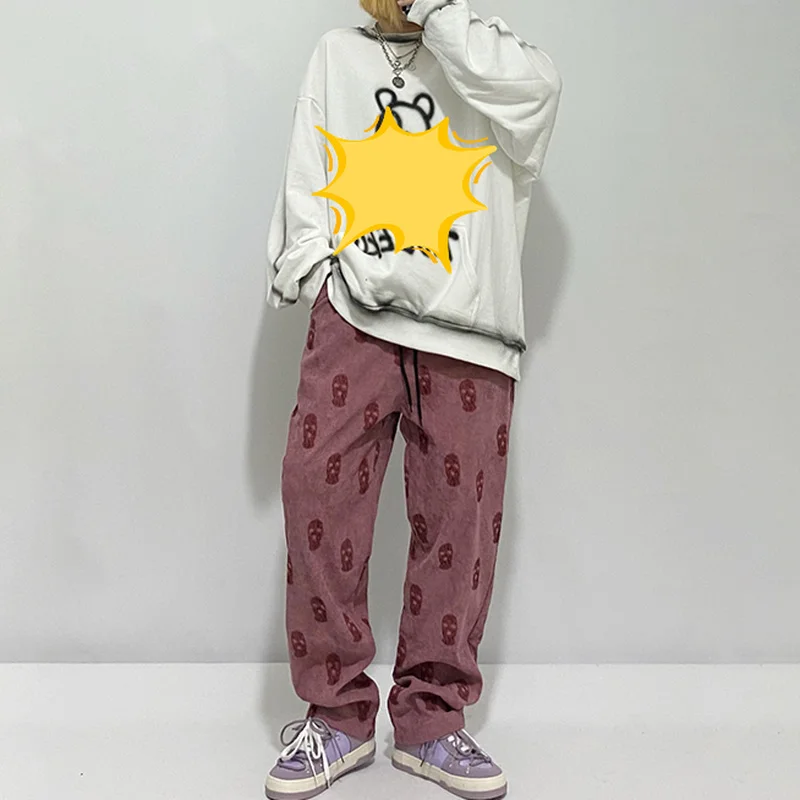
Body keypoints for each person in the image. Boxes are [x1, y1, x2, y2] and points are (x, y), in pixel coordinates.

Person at [263, 0, 562, 797]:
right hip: (356, 312)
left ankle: (431, 721)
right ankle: (337, 715)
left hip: (470, 328)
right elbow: (306, 172)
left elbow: (537, 96)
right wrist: (314, 271)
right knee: (315, 484)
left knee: (460, 519)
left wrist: (435, 14)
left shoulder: (496, 60)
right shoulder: (337, 54)